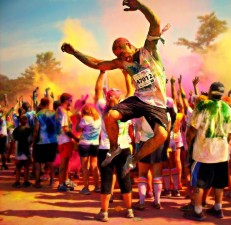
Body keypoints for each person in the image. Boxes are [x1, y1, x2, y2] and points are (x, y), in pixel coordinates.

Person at [61, 0, 169, 177]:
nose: (121, 56)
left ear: (129, 44)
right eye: (117, 55)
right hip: (140, 99)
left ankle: (133, 159)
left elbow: (155, 23)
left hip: (158, 103)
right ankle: (114, 148)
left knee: (162, 135)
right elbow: (97, 64)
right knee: (111, 116)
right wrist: (75, 53)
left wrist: (140, 6)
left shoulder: (147, 50)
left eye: (121, 51)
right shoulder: (122, 63)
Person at [184, 82, 231, 221]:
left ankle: (198, 210)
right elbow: (230, 134)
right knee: (219, 183)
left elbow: (192, 129)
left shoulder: (202, 106)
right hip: (222, 153)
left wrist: (189, 145)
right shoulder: (229, 110)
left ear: (210, 91)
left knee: (199, 183)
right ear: (222, 93)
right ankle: (218, 208)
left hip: (203, 153)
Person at [94, 71, 134, 222]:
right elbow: (131, 92)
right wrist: (126, 75)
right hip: (124, 148)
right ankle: (129, 210)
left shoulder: (103, 108)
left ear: (107, 98)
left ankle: (104, 213)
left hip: (106, 149)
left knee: (106, 179)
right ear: (119, 99)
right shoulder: (126, 109)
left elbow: (97, 91)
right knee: (125, 179)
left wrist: (101, 73)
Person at [32, 97, 58, 188]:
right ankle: (52, 180)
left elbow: (36, 129)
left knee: (38, 161)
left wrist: (33, 140)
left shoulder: (38, 114)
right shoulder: (54, 114)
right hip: (52, 141)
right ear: (48, 104)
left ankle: (38, 181)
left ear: (41, 104)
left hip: (40, 141)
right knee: (51, 161)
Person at [56, 93, 80, 192]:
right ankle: (61, 184)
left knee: (66, 163)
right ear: (66, 100)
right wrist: (76, 138)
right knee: (63, 163)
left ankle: (65, 181)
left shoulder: (62, 111)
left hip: (65, 140)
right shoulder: (61, 111)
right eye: (71, 100)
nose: (72, 102)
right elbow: (65, 129)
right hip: (64, 140)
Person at [76, 103, 101, 195]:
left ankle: (86, 188)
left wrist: (79, 118)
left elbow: (78, 129)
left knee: (85, 166)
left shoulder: (85, 119)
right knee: (94, 166)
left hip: (84, 144)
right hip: (95, 144)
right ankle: (97, 186)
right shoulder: (98, 119)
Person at [12, 115, 32, 188]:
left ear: (20, 122)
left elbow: (14, 139)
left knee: (18, 166)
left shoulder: (16, 129)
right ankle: (25, 181)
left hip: (19, 149)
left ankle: (17, 181)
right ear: (26, 121)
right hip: (26, 149)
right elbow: (31, 140)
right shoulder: (29, 130)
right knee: (26, 166)